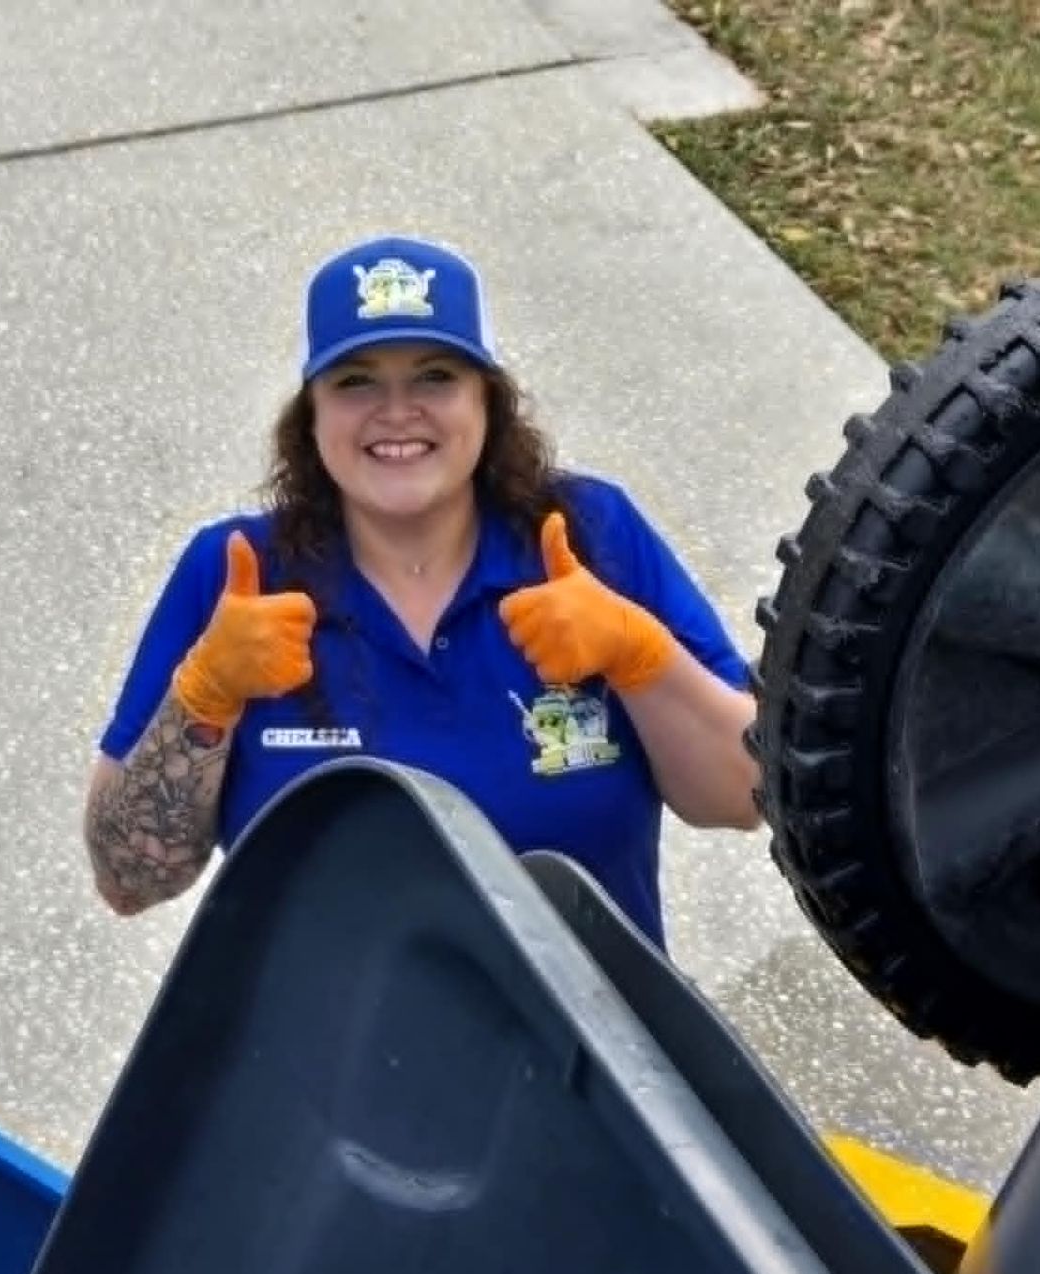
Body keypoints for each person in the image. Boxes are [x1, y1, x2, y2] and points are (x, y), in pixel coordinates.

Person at [83, 233, 760, 950]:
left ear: (489, 404)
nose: (397, 410)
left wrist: (640, 657)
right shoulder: (235, 571)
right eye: (355, 381)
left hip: (590, 1048)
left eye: (436, 376)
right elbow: (128, 882)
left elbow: (743, 795)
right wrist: (204, 697)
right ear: (309, 417)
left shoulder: (592, 535)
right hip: (324, 1053)